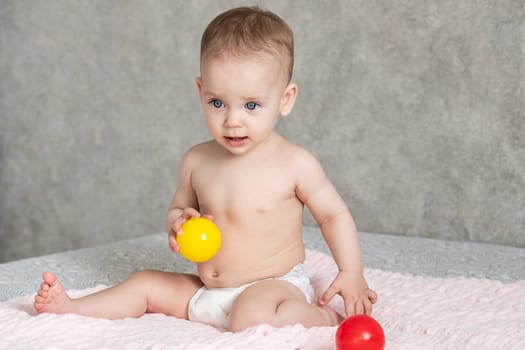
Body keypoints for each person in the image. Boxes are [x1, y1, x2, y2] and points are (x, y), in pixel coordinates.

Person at [33, 6, 377, 332]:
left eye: (252, 105)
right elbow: (178, 209)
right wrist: (179, 224)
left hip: (273, 287)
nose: (232, 120)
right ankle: (73, 309)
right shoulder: (196, 160)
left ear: (285, 99)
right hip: (207, 291)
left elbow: (333, 215)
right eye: (217, 103)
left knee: (250, 315)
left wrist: (351, 271)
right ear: (201, 92)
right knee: (144, 283)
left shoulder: (294, 163)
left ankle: (324, 318)